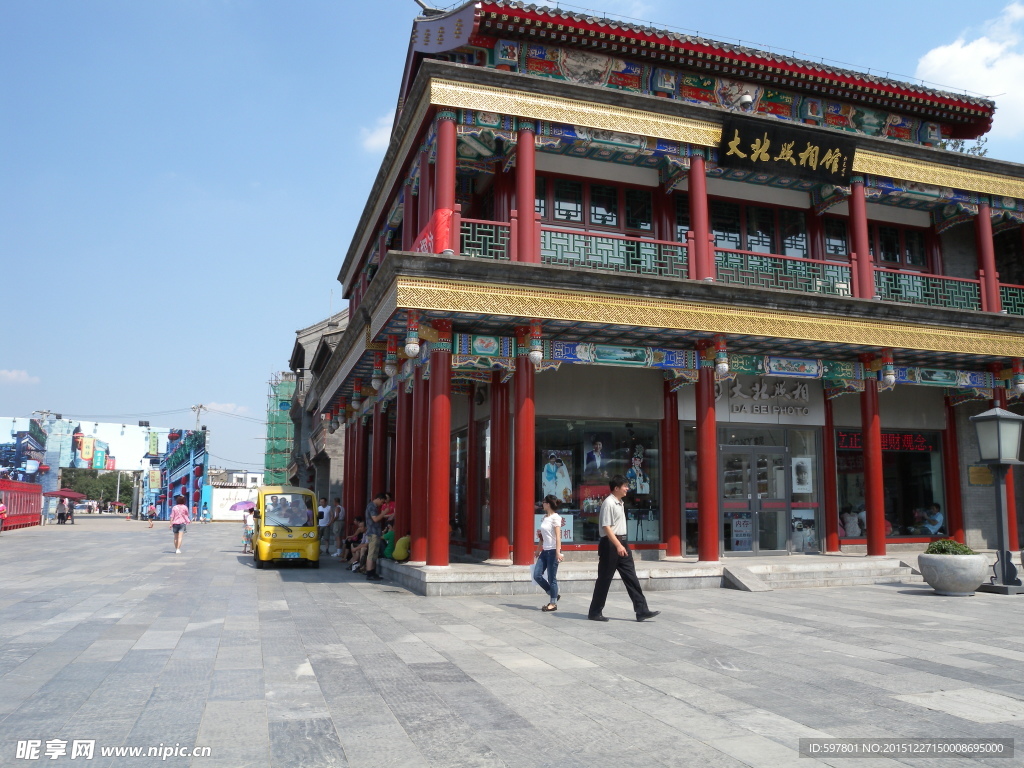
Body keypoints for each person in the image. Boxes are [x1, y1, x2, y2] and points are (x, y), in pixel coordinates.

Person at [588, 475, 659, 623]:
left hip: (622, 542)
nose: (627, 488)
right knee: (604, 579)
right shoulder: (609, 503)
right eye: (625, 486)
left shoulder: (620, 502)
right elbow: (606, 527)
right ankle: (595, 612)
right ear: (616, 488)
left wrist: (622, 545)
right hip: (611, 544)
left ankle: (641, 610)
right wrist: (618, 545)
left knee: (631, 577)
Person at [533, 495, 564, 612]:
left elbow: (558, 536)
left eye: (544, 502)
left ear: (549, 504)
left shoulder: (556, 518)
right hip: (545, 551)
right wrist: (538, 549)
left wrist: (558, 552)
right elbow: (542, 536)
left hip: (552, 551)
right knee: (537, 575)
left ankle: (553, 603)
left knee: (552, 578)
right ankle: (553, 594)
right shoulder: (545, 517)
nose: (543, 504)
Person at [363, 492, 388, 581]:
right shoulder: (371, 506)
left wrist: (386, 515)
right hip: (373, 533)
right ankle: (369, 573)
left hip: (375, 533)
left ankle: (372, 572)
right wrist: (384, 512)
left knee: (374, 554)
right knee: (371, 554)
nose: (382, 504)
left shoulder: (373, 507)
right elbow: (375, 519)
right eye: (382, 502)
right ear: (379, 499)